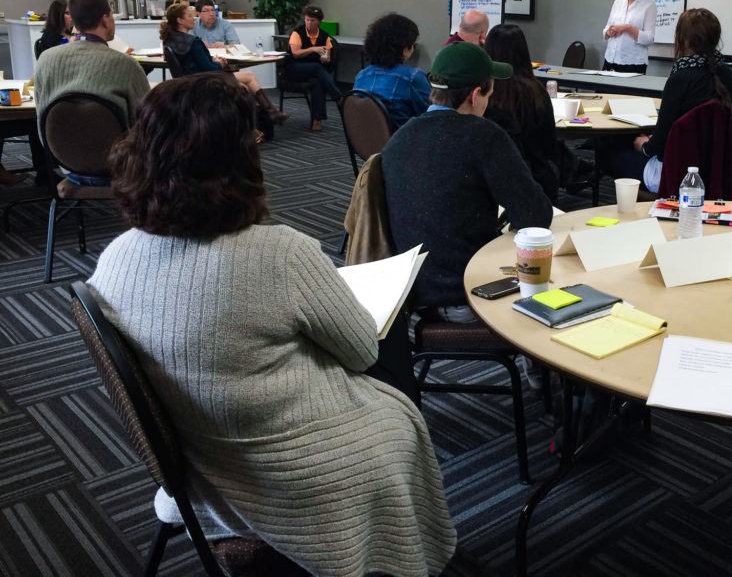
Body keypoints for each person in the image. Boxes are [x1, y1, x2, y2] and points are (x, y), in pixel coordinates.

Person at [88, 73, 457, 576]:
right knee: (397, 409)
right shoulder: (280, 253)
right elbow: (359, 352)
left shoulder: (115, 258)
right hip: (282, 469)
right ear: (238, 157)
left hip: (197, 451)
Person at [382, 42, 551, 322]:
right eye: (489, 95)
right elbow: (537, 217)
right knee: (557, 274)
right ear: (475, 95)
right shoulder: (483, 136)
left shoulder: (399, 138)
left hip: (414, 292)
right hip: (472, 292)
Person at [596, 7, 732, 194]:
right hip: (715, 168)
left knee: (608, 153)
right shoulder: (727, 75)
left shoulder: (680, 78)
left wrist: (645, 146)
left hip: (675, 172)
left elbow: (662, 139)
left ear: (683, 38)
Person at [34, 0, 150, 185]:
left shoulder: (46, 60)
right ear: (105, 19)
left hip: (65, 164)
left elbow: (41, 117)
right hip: (122, 169)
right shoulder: (125, 64)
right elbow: (147, 127)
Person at [484, 23, 592, 202]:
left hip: (490, 181)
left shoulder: (483, 93)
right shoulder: (535, 92)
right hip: (536, 177)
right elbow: (550, 143)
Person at [160, 2, 287, 124]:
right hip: (204, 82)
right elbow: (210, 69)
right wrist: (218, 63)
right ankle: (266, 115)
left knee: (244, 86)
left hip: (187, 84)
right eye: (189, 16)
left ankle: (259, 120)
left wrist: (212, 62)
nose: (194, 18)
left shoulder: (169, 41)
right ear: (180, 20)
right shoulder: (193, 42)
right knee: (248, 77)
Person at [353, 12, 429, 129]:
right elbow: (431, 116)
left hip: (367, 143)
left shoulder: (361, 76)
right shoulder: (412, 77)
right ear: (404, 49)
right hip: (404, 142)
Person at [286, 4, 342, 132]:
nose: (309, 23)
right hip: (295, 69)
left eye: (312, 20)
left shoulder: (324, 36)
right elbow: (296, 53)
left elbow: (327, 58)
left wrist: (324, 57)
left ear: (318, 22)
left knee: (318, 82)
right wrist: (313, 49)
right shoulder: (297, 33)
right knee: (317, 68)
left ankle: (317, 120)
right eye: (307, 20)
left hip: (313, 71)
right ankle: (338, 96)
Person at [602, 0, 657, 74]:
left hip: (633, 64)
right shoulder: (618, 0)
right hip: (611, 59)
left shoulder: (649, 5)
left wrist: (627, 28)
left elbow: (649, 39)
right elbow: (607, 27)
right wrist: (609, 32)